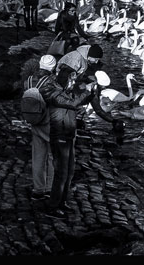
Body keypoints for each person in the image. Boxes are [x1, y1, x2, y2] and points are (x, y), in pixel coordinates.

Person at [40, 64, 96, 218]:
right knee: (61, 172)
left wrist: (91, 93)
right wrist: (86, 91)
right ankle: (53, 206)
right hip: (59, 135)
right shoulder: (52, 92)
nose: (73, 83)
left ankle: (62, 202)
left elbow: (78, 102)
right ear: (65, 79)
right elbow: (73, 103)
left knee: (69, 172)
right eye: (71, 80)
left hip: (69, 134)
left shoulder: (64, 92)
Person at [23, 55, 57, 199]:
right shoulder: (52, 82)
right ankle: (50, 187)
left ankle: (38, 189)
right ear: (53, 67)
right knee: (52, 156)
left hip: (34, 121)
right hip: (49, 121)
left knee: (37, 156)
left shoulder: (29, 80)